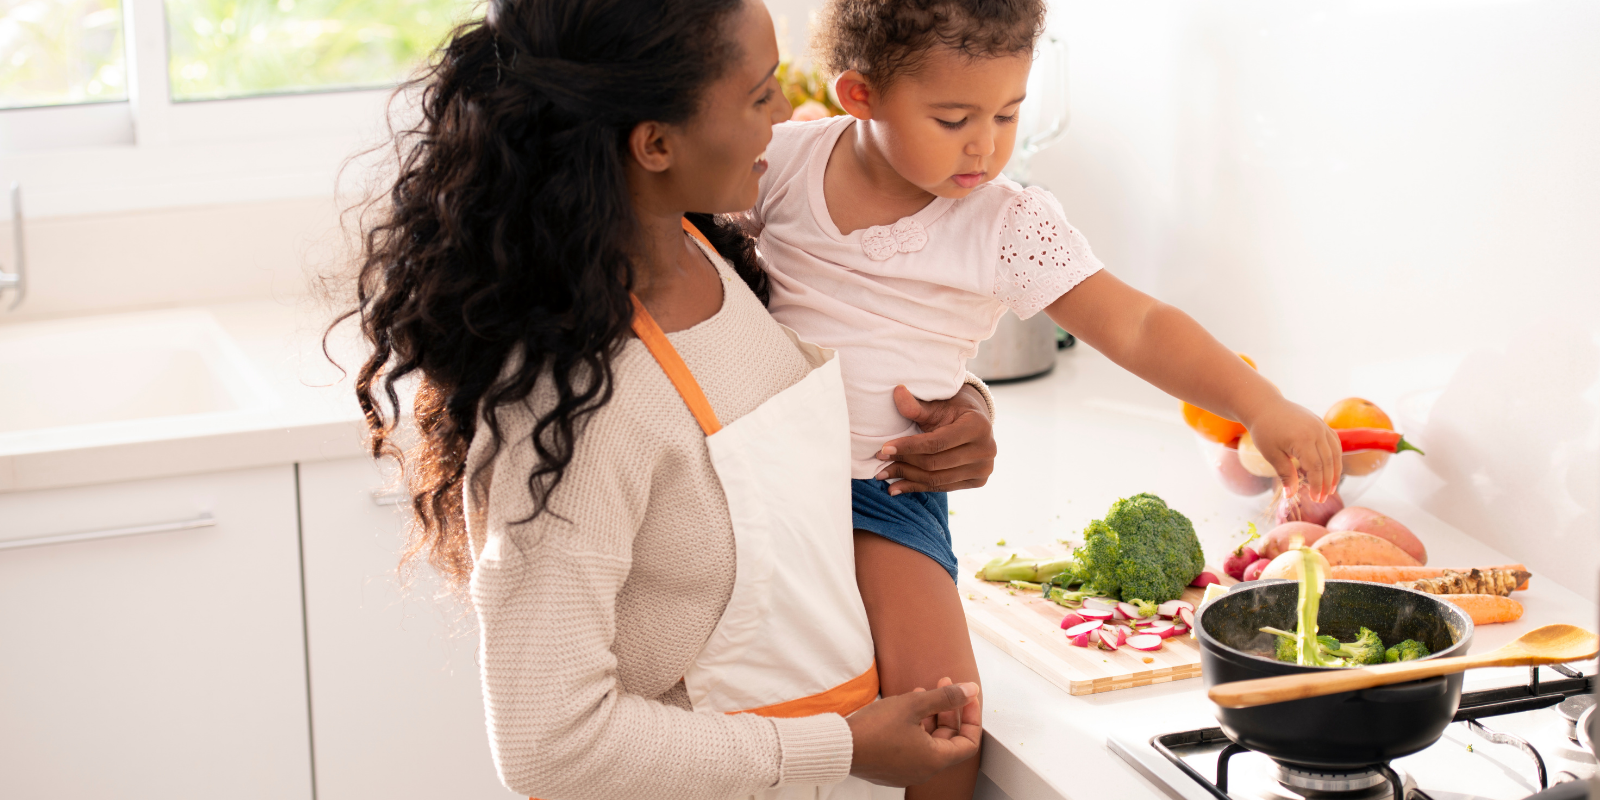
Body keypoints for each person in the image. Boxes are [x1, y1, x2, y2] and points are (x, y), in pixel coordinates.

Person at [338, 0, 1004, 798]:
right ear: (654, 143)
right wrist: (839, 747)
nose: (788, 112)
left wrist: (963, 405)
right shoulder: (574, 402)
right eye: (761, 95)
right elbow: (549, 746)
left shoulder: (699, 246)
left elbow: (775, 389)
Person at [745, 1, 1345, 796]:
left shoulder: (1007, 224)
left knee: (947, 714)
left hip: (884, 492)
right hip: (750, 476)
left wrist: (1258, 404)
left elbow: (1134, 323)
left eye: (1007, 112)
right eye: (953, 117)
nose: (985, 144)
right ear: (860, 97)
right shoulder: (779, 164)